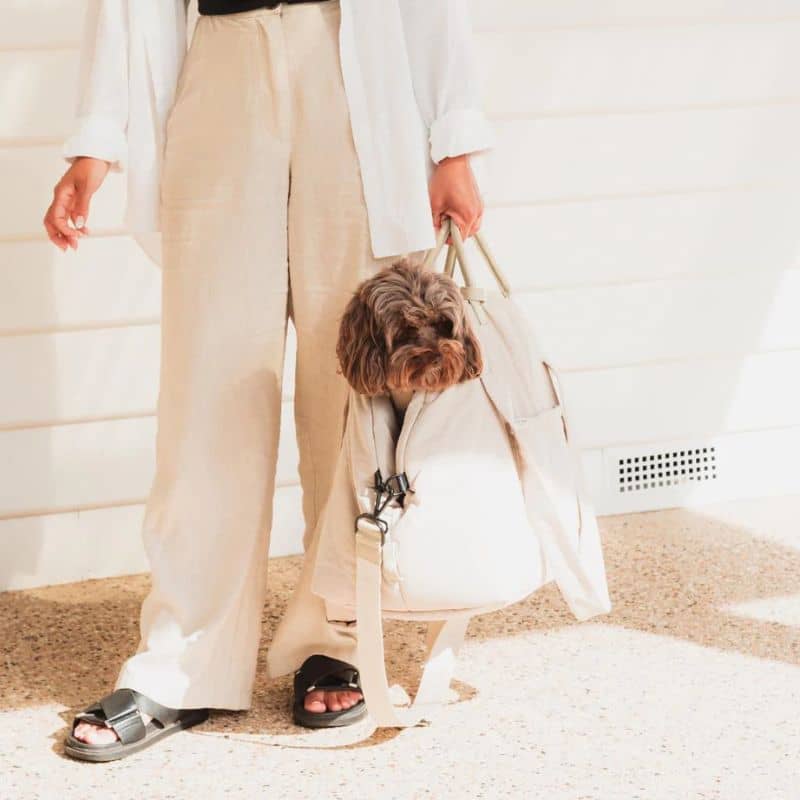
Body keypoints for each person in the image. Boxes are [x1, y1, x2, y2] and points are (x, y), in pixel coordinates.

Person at [44, 0, 494, 760]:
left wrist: (453, 139)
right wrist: (96, 139)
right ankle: (184, 659)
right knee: (207, 386)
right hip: (220, 59)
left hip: (351, 61)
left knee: (352, 387)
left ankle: (338, 635)